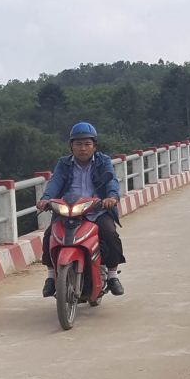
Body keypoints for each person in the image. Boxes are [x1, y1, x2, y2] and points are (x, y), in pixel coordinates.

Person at [37, 121, 125, 297]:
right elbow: (55, 183)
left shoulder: (103, 161)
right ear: (71, 146)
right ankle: (52, 276)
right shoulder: (64, 163)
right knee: (49, 236)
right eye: (78, 144)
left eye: (87, 144)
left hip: (96, 209)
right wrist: (46, 199)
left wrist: (111, 197)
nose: (83, 148)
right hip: (68, 210)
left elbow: (111, 182)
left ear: (94, 146)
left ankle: (113, 275)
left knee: (110, 234)